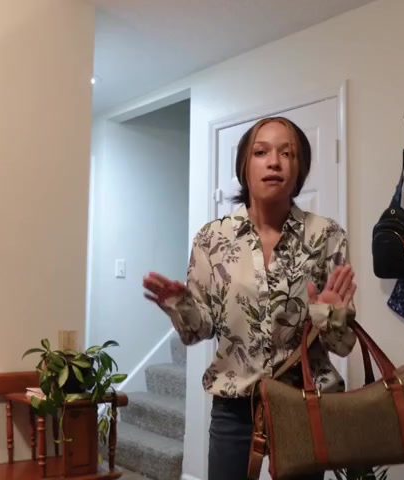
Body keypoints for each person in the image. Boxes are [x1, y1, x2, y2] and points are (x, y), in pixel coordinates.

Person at [142, 116, 358, 480]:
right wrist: (180, 305)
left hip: (304, 402)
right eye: (261, 152)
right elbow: (198, 332)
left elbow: (343, 345)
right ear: (244, 165)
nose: (274, 162)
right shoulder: (212, 239)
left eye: (287, 153)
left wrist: (331, 314)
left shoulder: (326, 236)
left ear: (300, 168)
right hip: (235, 407)